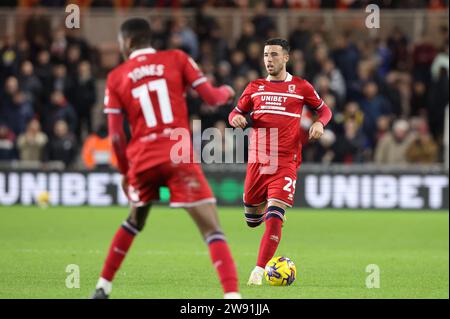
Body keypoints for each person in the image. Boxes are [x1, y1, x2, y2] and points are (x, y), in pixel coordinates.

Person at [92, 18, 240, 299]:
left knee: (134, 220)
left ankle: (103, 286)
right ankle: (232, 298)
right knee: (212, 229)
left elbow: (115, 137)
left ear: (128, 42)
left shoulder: (116, 77)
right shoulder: (176, 58)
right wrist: (227, 91)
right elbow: (211, 97)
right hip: (177, 154)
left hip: (143, 160)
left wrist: (126, 172)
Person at [228, 38, 332, 285]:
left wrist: (319, 123)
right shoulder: (254, 87)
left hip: (286, 161)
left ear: (286, 57)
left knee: (274, 216)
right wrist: (236, 120)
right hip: (257, 160)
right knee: (253, 220)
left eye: (274, 54)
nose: (268, 59)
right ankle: (268, 211)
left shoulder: (301, 86)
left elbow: (325, 111)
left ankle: (259, 270)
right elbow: (235, 112)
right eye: (265, 55)